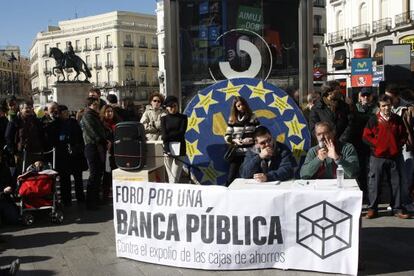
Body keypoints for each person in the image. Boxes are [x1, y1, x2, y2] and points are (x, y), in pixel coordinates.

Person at [362, 94, 410, 219]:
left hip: (394, 156)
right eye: (383, 106)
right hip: (377, 157)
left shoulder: (397, 119)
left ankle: (397, 208)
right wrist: (377, 146)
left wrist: (398, 146)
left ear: (391, 105)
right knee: (375, 182)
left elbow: (404, 135)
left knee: (396, 183)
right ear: (379, 107)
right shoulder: (373, 120)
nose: (386, 108)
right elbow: (366, 136)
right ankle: (373, 208)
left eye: (388, 105)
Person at [385, 85, 414, 212]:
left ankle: (405, 202)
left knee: (406, 176)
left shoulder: (408, 109)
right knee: (394, 176)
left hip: (406, 146)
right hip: (392, 146)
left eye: (390, 97)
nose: (387, 100)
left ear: (397, 97)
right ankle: (396, 202)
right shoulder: (385, 107)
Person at [224, 96, 259, 185]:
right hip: (237, 152)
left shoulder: (253, 117)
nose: (241, 107)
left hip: (250, 152)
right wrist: (235, 140)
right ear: (235, 107)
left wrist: (252, 139)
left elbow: (259, 133)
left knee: (250, 175)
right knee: (231, 176)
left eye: (242, 104)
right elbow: (227, 135)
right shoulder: (232, 119)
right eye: (238, 106)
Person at [80, 97, 108, 210]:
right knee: (94, 174)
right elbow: (92, 132)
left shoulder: (95, 116)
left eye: (98, 104)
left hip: (99, 146)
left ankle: (96, 199)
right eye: (95, 104)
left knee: (98, 174)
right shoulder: (87, 116)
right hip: (92, 146)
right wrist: (102, 140)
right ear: (90, 105)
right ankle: (90, 202)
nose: (97, 106)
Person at [351, 88, 378, 199]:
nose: (365, 98)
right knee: (360, 169)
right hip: (357, 143)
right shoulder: (354, 107)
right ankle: (362, 192)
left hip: (371, 144)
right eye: (363, 95)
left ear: (371, 96)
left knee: (372, 171)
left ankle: (371, 193)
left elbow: (374, 121)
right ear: (359, 97)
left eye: (368, 95)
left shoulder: (376, 108)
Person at [58, 105, 86, 203]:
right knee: (65, 180)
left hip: (76, 154)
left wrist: (78, 147)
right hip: (63, 156)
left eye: (67, 112)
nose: (66, 114)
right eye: (64, 112)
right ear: (59, 114)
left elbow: (80, 136)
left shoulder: (73, 122)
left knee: (78, 178)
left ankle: (80, 197)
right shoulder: (56, 124)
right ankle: (66, 199)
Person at [161, 96, 187, 183]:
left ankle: (173, 195)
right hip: (167, 150)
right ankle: (172, 195)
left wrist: (168, 136)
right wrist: (167, 148)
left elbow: (181, 133)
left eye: (174, 105)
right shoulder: (164, 119)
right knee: (170, 177)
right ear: (167, 107)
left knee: (175, 177)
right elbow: (163, 136)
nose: (173, 108)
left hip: (180, 150)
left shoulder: (183, 118)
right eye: (170, 106)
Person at [100, 105, 118, 204]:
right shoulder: (101, 124)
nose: (109, 113)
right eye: (107, 111)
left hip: (117, 152)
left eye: (111, 111)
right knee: (107, 175)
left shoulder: (117, 123)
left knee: (116, 174)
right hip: (107, 152)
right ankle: (105, 197)